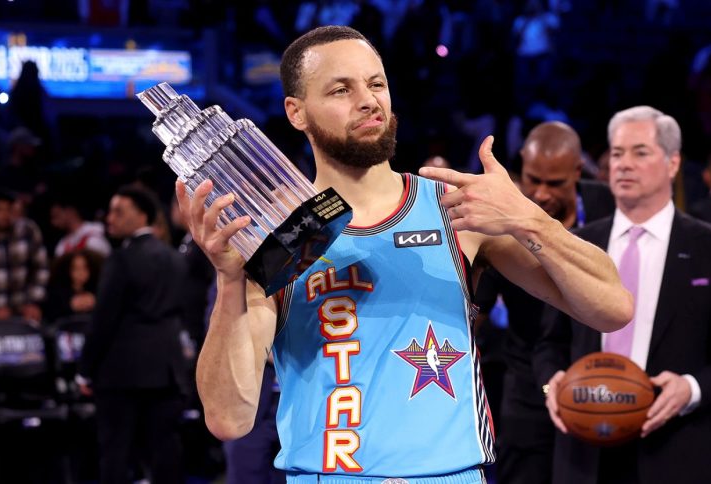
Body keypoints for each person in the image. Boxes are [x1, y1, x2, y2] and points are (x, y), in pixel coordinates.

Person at [176, 26, 632, 482]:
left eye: (376, 84)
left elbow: (612, 307)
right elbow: (228, 419)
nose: (368, 100)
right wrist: (230, 278)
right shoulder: (277, 238)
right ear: (296, 112)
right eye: (341, 89)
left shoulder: (454, 208)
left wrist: (528, 218)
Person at [536, 105, 711, 484]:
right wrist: (553, 381)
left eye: (640, 152)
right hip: (584, 454)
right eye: (617, 154)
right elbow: (548, 343)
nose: (623, 165)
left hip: (677, 451)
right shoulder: (576, 244)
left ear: (673, 163)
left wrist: (691, 388)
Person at [473, 121, 613, 484]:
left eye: (555, 183)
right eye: (533, 179)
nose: (541, 193)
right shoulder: (501, 219)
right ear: (521, 164)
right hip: (528, 387)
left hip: (602, 382)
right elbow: (477, 310)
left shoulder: (608, 207)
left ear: (578, 171)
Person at [78, 185, 188, 484]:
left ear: (141, 216)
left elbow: (103, 321)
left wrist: (84, 371)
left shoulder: (121, 259)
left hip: (121, 373)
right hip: (167, 369)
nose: (109, 218)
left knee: (116, 451)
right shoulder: (176, 258)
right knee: (166, 450)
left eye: (119, 211)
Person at [0, 188, 49, 324]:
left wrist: (34, 302)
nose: (4, 215)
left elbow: (41, 269)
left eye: (8, 209)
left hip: (25, 309)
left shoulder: (28, 230)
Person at [44, 249, 104, 322]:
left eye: (85, 268)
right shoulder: (57, 292)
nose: (80, 273)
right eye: (76, 269)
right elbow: (51, 315)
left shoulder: (98, 290)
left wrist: (95, 303)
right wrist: (69, 306)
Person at [50, 192, 112, 258]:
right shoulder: (62, 246)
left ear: (69, 211)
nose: (54, 223)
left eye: (57, 216)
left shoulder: (95, 233)